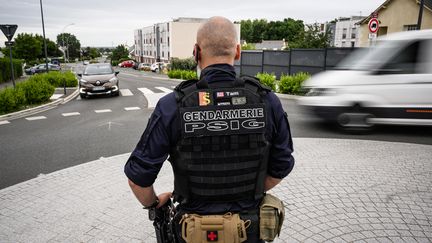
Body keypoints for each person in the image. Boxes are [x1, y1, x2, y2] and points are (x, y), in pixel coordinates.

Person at [125, 16, 295, 243]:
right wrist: (250, 190)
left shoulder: (172, 106)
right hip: (248, 231)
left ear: (196, 52)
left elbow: (138, 179)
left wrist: (154, 204)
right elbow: (282, 164)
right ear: (238, 51)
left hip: (191, 231)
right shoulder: (267, 101)